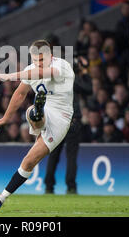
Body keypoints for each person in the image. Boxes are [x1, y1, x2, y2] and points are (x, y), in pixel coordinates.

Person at [0, 40, 74, 211]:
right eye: (35, 60)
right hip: (45, 109)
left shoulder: (62, 66)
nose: (38, 64)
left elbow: (43, 73)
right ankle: (0, 199)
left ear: (50, 56)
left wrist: (9, 76)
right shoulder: (29, 71)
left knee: (29, 162)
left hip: (62, 116)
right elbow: (19, 94)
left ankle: (1, 197)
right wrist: (5, 118)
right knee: (31, 111)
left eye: (42, 60)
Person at [44, 55, 92, 195]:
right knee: (71, 156)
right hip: (72, 120)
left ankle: (48, 186)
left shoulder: (53, 78)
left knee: (53, 155)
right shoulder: (71, 78)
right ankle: (71, 186)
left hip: (55, 121)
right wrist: (85, 72)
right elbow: (88, 89)